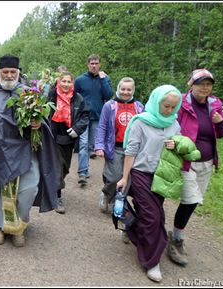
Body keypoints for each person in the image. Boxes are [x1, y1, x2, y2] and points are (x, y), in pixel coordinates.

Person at [0, 54, 60, 247]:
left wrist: (37, 124)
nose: (8, 75)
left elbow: (44, 123)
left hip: (24, 150)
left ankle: (19, 225)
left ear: (18, 72)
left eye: (12, 72)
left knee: (29, 188)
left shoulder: (28, 95)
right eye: (5, 72)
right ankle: (0, 226)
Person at [116, 85, 182, 282]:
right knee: (152, 217)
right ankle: (151, 261)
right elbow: (131, 151)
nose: (169, 110)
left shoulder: (174, 123)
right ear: (156, 101)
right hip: (140, 174)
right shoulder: (140, 122)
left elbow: (179, 149)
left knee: (155, 215)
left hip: (161, 176)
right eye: (166, 105)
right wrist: (125, 177)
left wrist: (176, 144)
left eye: (173, 107)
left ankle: (131, 228)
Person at [167, 69, 223, 266]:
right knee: (191, 200)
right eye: (201, 83)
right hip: (186, 161)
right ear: (191, 85)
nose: (205, 87)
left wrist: (221, 122)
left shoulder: (215, 105)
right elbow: (168, 120)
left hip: (207, 163)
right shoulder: (181, 103)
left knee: (192, 202)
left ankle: (175, 234)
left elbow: (221, 134)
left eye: (208, 84)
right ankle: (176, 240)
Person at [94, 77, 144, 214]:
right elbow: (102, 126)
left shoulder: (139, 107)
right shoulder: (110, 106)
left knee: (126, 177)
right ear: (118, 89)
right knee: (115, 176)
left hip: (133, 149)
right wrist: (99, 145)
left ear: (133, 90)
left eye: (129, 89)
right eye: (123, 89)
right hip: (114, 147)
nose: (125, 92)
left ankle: (118, 199)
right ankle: (106, 194)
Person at [48, 71, 88, 214]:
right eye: (63, 81)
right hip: (53, 136)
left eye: (69, 82)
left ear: (72, 83)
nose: (66, 84)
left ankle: (54, 186)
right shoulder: (52, 95)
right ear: (59, 81)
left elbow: (84, 116)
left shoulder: (77, 98)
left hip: (69, 137)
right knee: (58, 165)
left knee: (65, 167)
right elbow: (44, 112)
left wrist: (77, 129)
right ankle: (57, 196)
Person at [74, 54, 113, 185]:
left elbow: (108, 95)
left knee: (91, 145)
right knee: (83, 144)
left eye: (96, 63)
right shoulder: (80, 80)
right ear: (88, 64)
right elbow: (74, 97)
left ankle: (86, 168)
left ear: (99, 65)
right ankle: (83, 173)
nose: (94, 66)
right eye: (92, 63)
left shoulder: (105, 79)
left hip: (98, 117)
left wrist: (103, 80)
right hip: (83, 117)